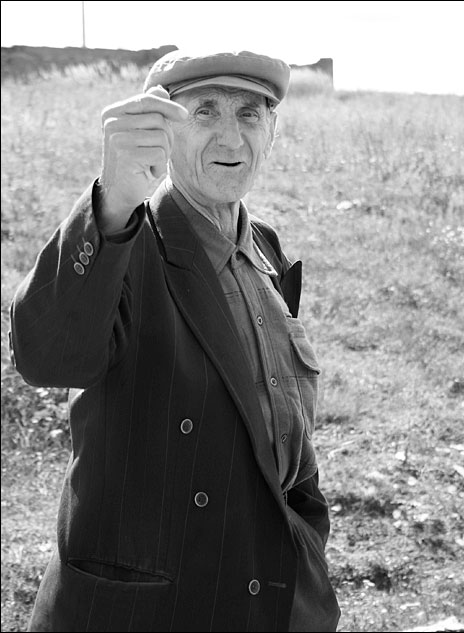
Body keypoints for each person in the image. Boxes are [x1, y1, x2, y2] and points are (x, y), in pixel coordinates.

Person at [9, 49, 341, 632]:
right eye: (204, 111)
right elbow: (47, 356)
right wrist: (112, 200)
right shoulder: (125, 238)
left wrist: (306, 537)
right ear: (161, 129)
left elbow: (282, 421)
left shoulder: (265, 247)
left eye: (249, 113)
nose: (231, 136)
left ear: (272, 132)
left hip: (267, 593)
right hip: (147, 611)